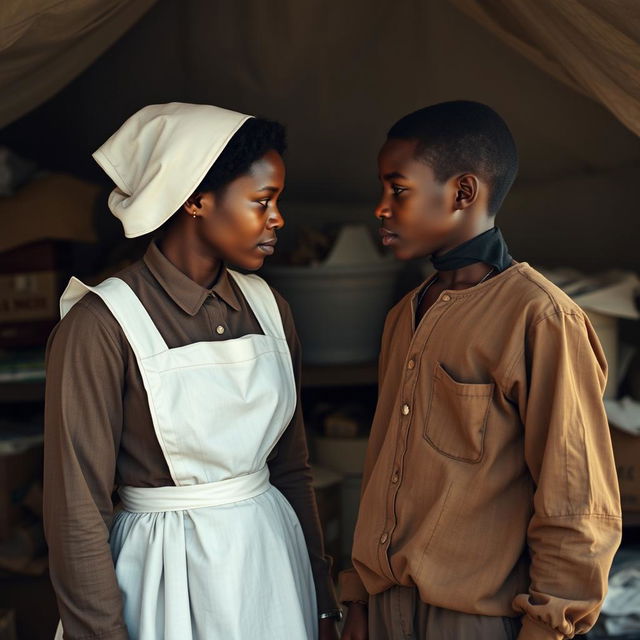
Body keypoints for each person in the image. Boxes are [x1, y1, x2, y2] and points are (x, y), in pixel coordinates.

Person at [43, 102, 341, 640]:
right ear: (197, 200)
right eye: (262, 201)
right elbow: (76, 511)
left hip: (272, 568)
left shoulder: (270, 308)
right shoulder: (101, 325)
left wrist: (321, 601)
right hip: (163, 580)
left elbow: (292, 469)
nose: (278, 219)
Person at [339, 100, 621, 640]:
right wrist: (357, 597)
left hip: (476, 621)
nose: (381, 207)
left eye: (398, 190)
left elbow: (576, 500)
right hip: (385, 610)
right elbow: (380, 469)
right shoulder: (405, 315)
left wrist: (548, 625)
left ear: (463, 192)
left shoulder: (540, 317)